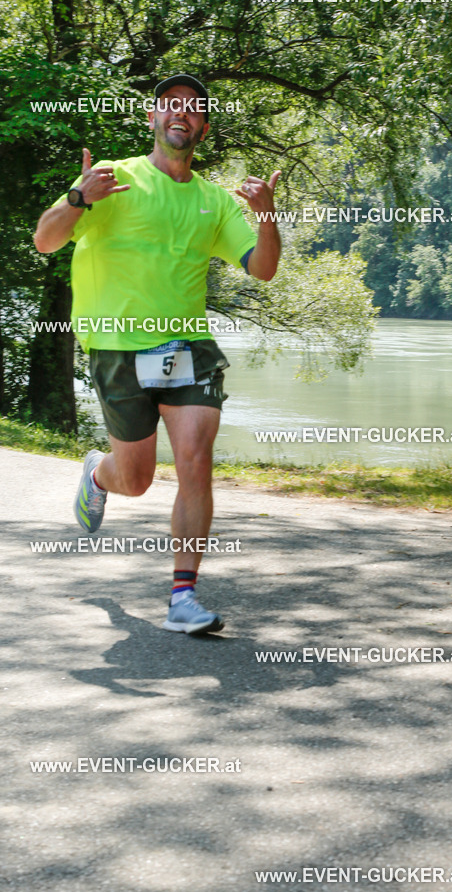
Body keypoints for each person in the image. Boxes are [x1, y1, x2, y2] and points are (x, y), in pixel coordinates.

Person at [33, 73, 281, 635]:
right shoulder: (111, 178)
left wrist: (266, 215)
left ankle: (183, 596)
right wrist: (78, 197)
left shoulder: (215, 201)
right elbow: (46, 240)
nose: (181, 114)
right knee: (137, 478)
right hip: (118, 348)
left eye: (193, 109)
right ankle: (99, 474)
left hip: (186, 347)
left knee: (195, 461)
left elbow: (262, 268)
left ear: (203, 127)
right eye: (171, 106)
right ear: (152, 118)